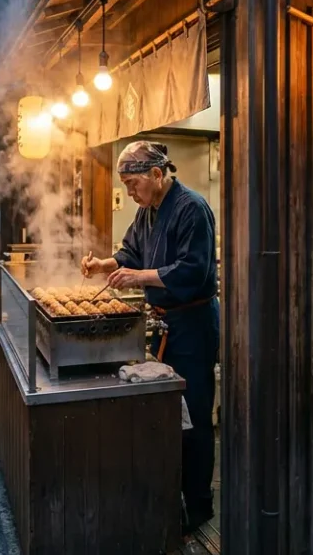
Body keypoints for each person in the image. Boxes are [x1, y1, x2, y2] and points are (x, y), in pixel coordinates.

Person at [81, 141, 219, 533]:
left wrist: (138, 277)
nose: (129, 193)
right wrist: (102, 264)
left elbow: (192, 270)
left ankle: (199, 505)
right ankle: (172, 495)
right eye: (125, 185)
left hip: (193, 326)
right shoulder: (147, 211)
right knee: (168, 411)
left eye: (132, 184)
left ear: (157, 174)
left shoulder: (192, 208)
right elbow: (130, 253)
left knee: (195, 413)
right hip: (166, 325)